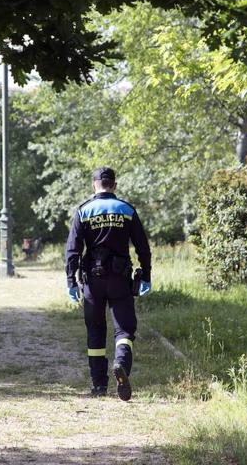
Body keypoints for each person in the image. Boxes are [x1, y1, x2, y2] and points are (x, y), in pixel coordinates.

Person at [65, 167, 152, 401]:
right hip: (120, 280)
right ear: (114, 185)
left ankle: (99, 386)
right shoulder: (126, 210)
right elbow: (143, 247)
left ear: (94, 185)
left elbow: (73, 250)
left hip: (92, 281)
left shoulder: (83, 211)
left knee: (95, 330)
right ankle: (121, 363)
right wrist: (146, 276)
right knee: (124, 329)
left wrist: (70, 281)